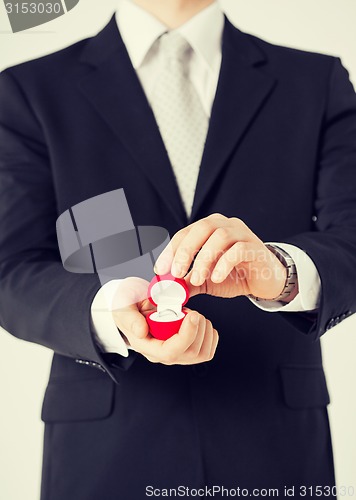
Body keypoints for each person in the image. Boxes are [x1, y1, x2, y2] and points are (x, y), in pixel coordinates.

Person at [0, 0, 356, 498]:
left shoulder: (315, 80)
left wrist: (279, 270)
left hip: (275, 447)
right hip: (103, 449)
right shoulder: (29, 89)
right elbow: (11, 270)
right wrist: (108, 311)